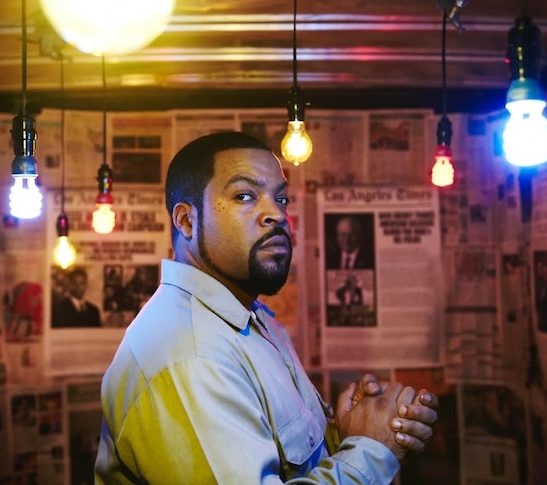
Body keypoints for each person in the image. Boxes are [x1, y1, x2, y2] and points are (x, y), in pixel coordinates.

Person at [95, 132, 438, 483]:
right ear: (186, 221)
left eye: (282, 198)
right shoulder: (189, 354)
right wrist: (370, 449)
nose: (276, 213)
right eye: (244, 196)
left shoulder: (251, 318)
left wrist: (348, 433)